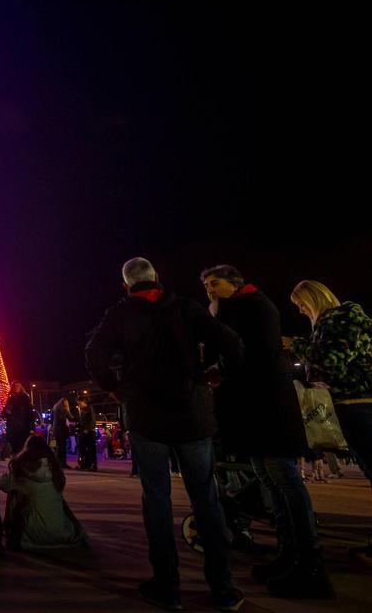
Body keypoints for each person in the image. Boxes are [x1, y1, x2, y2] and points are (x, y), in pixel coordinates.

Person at [85, 257, 244, 611]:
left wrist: (115, 387)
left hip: (148, 418)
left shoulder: (120, 313)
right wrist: (215, 373)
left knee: (156, 501)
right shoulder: (186, 308)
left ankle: (168, 587)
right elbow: (232, 341)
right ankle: (224, 588)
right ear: (158, 276)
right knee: (206, 499)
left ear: (126, 284)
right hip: (191, 414)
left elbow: (94, 354)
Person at [200, 264, 331, 598]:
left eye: (214, 284)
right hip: (256, 405)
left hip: (266, 405)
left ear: (234, 283)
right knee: (270, 480)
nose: (210, 291)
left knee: (284, 479)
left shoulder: (250, 306)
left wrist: (219, 369)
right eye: (206, 286)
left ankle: (310, 563)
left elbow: (247, 352)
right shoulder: (247, 306)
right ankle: (289, 554)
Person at [290, 280, 372, 572]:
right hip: (356, 400)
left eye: (300, 304)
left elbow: (330, 362)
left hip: (352, 400)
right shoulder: (338, 321)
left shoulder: (336, 320)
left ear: (313, 299)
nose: (299, 310)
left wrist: (296, 345)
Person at [0, 434, 85, 550]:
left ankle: (12, 529)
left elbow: (1, 483)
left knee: (15, 492)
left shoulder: (22, 467)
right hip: (60, 532)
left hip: (31, 533)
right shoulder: (54, 469)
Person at [2, 382, 36, 454]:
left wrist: (32, 428)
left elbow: (30, 413)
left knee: (23, 449)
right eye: (14, 386)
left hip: (23, 428)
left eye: (18, 386)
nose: (16, 388)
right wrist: (6, 412)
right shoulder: (10, 399)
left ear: (21, 387)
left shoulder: (25, 398)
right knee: (14, 449)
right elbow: (5, 413)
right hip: (12, 429)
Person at [50, 396, 74, 468]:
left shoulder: (55, 406)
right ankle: (62, 463)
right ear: (64, 402)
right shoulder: (62, 408)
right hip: (60, 431)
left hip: (54, 431)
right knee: (62, 448)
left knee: (54, 447)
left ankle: (54, 463)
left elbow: (51, 419)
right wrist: (70, 414)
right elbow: (67, 418)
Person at [75, 398, 98, 471]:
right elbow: (81, 421)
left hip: (90, 432)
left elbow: (93, 420)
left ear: (84, 402)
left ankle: (93, 465)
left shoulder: (90, 409)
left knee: (91, 449)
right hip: (83, 432)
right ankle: (84, 464)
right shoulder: (81, 410)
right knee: (82, 449)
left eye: (80, 403)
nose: (79, 405)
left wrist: (87, 429)